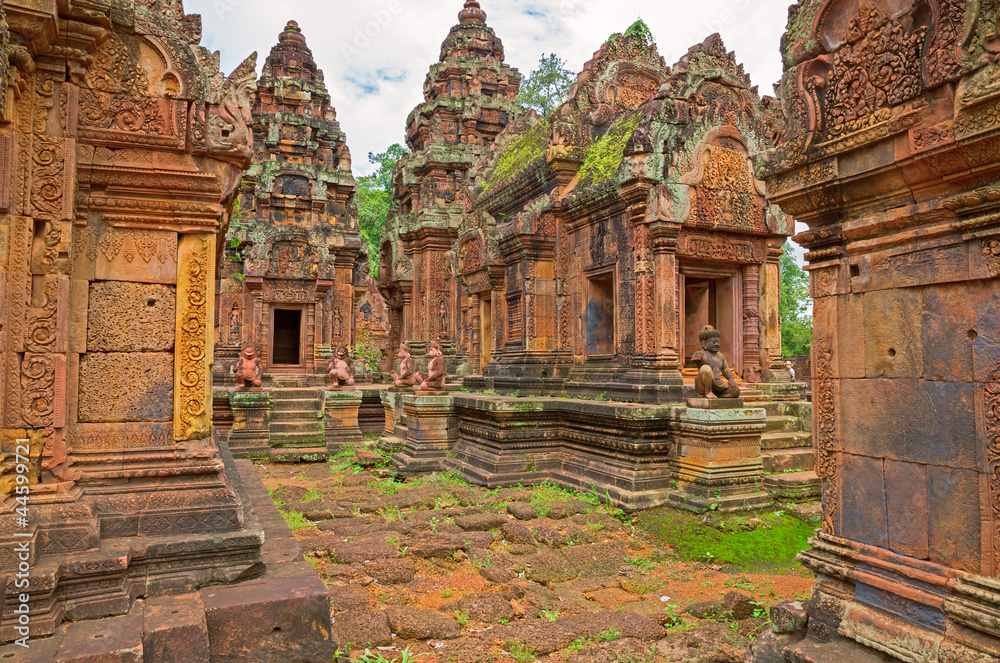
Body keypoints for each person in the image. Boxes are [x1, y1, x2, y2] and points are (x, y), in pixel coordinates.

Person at [691, 326, 741, 399]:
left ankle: (719, 396)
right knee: (706, 368)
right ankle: (708, 392)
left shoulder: (721, 356)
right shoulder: (700, 354)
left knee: (736, 391)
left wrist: (731, 379)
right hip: (703, 386)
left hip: (718, 385)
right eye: (713, 342)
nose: (716, 344)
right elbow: (694, 359)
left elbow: (725, 369)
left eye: (718, 342)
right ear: (704, 343)